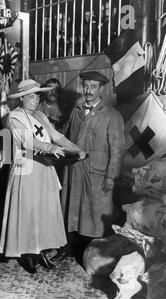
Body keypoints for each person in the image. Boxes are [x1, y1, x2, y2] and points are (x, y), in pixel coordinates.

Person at [0, 79, 85, 274]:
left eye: (37, 95)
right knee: (28, 211)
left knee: (44, 211)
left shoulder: (40, 116)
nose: (35, 99)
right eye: (31, 96)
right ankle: (28, 253)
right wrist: (49, 147)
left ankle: (40, 251)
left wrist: (76, 149)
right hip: (27, 169)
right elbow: (27, 141)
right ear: (21, 98)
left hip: (45, 168)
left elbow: (57, 136)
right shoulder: (14, 117)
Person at [61, 71, 125, 262]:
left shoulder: (112, 116)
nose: (88, 91)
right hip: (75, 171)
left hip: (97, 174)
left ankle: (96, 256)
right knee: (72, 211)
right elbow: (67, 139)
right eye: (85, 86)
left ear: (101, 89)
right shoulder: (76, 111)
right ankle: (70, 248)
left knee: (95, 215)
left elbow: (117, 150)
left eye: (93, 87)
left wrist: (110, 176)